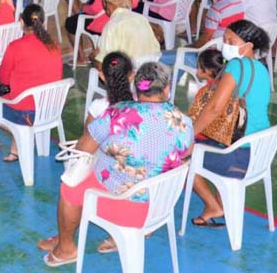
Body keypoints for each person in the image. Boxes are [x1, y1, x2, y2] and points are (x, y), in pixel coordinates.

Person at [39, 61, 193, 266]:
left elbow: (84, 149)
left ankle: (66, 249)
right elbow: (185, 153)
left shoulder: (117, 114)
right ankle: (118, 237)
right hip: (160, 204)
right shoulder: (183, 121)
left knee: (70, 187)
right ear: (166, 89)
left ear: (137, 90)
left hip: (128, 207)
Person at [188, 20, 271, 225]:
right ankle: (220, 201)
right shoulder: (261, 69)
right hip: (260, 151)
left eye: (230, 41)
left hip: (238, 155)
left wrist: (188, 135)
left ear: (248, 46)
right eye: (224, 39)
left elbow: (215, 108)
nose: (225, 44)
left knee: (179, 157)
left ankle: (213, 206)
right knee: (214, 141)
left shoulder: (235, 65)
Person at [0, 4, 64, 161]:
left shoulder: (15, 47)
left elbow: (4, 79)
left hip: (27, 113)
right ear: (44, 23)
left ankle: (20, 134)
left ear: (21, 22)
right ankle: (16, 148)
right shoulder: (54, 45)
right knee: (23, 95)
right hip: (51, 109)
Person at [162, 0, 244, 68]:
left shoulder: (216, 9)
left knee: (163, 57)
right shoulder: (239, 3)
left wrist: (187, 47)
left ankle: (144, 84)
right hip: (227, 58)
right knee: (180, 58)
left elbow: (205, 41)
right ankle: (174, 81)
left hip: (212, 58)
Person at [95, 0, 161, 64]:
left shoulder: (112, 25)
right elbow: (156, 49)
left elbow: (102, 64)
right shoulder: (141, 18)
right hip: (149, 69)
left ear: (107, 3)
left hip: (127, 73)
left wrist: (94, 57)